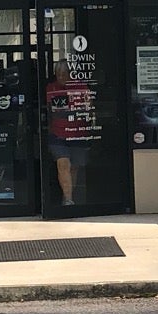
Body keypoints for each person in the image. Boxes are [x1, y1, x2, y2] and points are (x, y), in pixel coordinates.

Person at [44, 58, 94, 207]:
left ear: (70, 74)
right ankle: (68, 199)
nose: (61, 77)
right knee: (63, 163)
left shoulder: (82, 87)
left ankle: (68, 196)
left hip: (78, 133)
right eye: (58, 74)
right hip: (57, 134)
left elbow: (89, 108)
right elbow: (48, 110)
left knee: (74, 168)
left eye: (64, 74)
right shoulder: (51, 88)